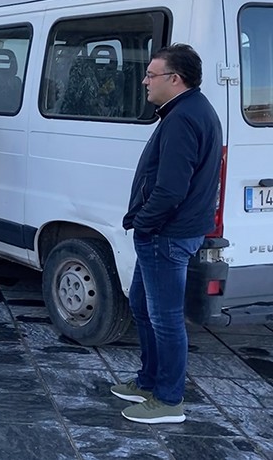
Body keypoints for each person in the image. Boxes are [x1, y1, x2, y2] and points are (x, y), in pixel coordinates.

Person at [112, 43, 222, 424]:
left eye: (151, 74)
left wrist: (143, 222)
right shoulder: (188, 110)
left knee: (165, 318)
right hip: (166, 234)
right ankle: (149, 381)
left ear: (174, 79)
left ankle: (169, 400)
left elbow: (171, 189)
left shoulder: (183, 118)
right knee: (142, 306)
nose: (144, 80)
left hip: (166, 236)